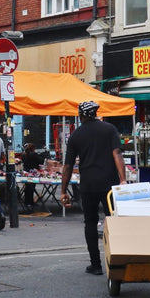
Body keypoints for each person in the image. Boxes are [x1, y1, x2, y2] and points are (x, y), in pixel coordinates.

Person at [60, 100, 127, 275]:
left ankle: (95, 265)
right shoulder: (109, 129)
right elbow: (117, 154)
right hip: (109, 184)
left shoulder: (76, 135)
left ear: (81, 115)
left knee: (90, 223)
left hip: (88, 185)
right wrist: (123, 180)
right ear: (95, 113)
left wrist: (63, 191)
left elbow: (67, 166)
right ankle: (117, 262)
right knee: (113, 221)